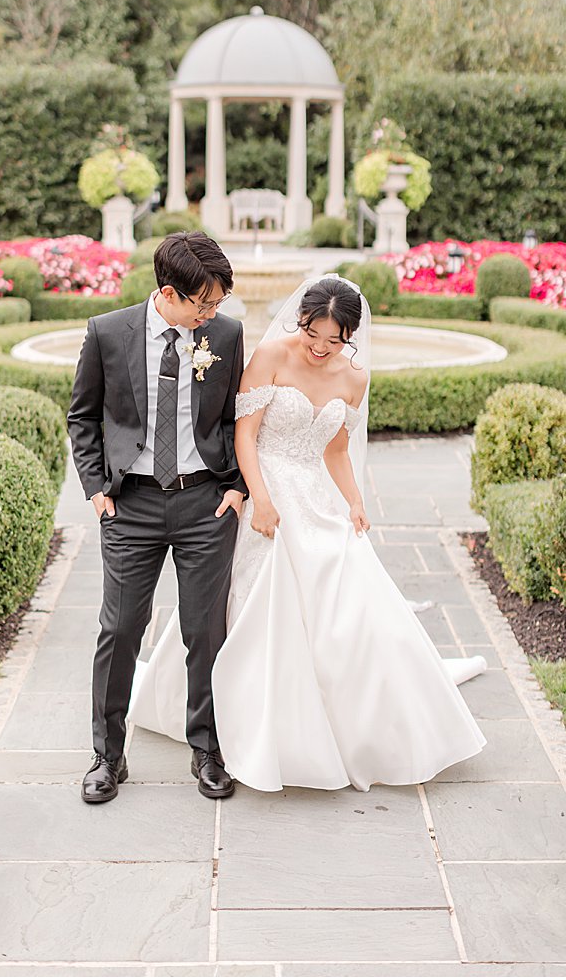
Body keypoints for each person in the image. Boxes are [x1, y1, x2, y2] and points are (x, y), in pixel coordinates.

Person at [129, 275, 488, 792]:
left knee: (350, 600)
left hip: (316, 494)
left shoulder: (354, 378)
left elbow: (336, 451)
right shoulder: (273, 353)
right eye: (313, 334)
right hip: (267, 487)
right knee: (262, 601)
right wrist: (262, 500)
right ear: (300, 320)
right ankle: (244, 725)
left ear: (350, 337)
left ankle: (351, 724)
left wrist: (355, 500)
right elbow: (244, 435)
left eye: (333, 340)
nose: (320, 348)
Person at [67, 232, 248, 805]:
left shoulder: (226, 335)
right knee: (120, 630)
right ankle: (106, 756)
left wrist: (238, 488)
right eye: (203, 303)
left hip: (205, 504)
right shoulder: (106, 333)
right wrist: (97, 488)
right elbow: (83, 417)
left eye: (217, 304)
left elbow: (236, 419)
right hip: (131, 505)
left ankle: (208, 749)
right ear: (168, 293)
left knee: (206, 632)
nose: (211, 314)